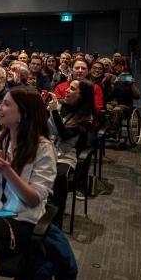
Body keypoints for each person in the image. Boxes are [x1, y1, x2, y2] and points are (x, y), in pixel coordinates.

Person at [0, 87, 57, 260]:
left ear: (23, 114)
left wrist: (8, 171)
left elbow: (32, 199)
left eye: (6, 104)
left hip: (17, 219)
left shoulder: (44, 149)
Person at [46, 80, 94, 226]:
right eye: (68, 87)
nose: (67, 91)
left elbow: (65, 134)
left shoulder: (86, 117)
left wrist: (54, 112)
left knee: (60, 176)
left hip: (65, 154)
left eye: (72, 89)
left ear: (82, 95)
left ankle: (57, 219)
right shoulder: (58, 104)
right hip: (47, 149)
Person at [53, 58, 103, 125]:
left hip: (88, 125)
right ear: (71, 70)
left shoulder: (95, 88)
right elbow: (56, 105)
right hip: (61, 123)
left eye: (83, 68)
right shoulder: (60, 87)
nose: (80, 70)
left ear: (88, 71)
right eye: (77, 68)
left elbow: (96, 110)